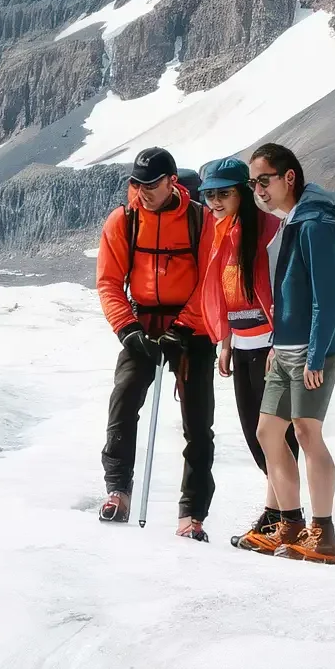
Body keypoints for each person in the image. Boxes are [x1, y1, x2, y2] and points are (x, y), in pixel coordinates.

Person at [94, 145, 222, 538]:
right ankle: (118, 490)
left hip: (194, 330)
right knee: (124, 399)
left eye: (151, 183)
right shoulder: (124, 220)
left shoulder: (202, 221)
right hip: (143, 323)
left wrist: (182, 329)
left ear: (171, 182)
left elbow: (210, 281)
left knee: (198, 423)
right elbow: (109, 282)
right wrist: (127, 330)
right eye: (137, 183)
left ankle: (192, 515)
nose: (143, 190)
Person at [240, 139, 335, 565]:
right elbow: (291, 296)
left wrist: (314, 355)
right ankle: (289, 522)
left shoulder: (315, 224)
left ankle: (323, 535)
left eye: (264, 181)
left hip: (312, 352)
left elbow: (329, 298)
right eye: (253, 184)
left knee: (307, 433)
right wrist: (276, 343)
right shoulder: (293, 221)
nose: (259, 191)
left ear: (289, 177)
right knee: (269, 431)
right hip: (286, 348)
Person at [198, 153, 296, 546]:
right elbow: (228, 294)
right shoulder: (226, 233)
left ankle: (286, 519)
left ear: (242, 192)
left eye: (223, 194)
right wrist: (226, 342)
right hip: (242, 345)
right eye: (209, 196)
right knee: (260, 439)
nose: (215, 203)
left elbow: (285, 292)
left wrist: (281, 344)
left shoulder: (272, 232)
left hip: (271, 346)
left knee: (274, 438)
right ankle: (275, 517)